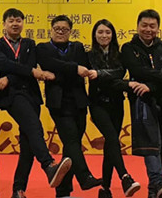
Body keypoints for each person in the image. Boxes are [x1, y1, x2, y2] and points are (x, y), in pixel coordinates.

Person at [0, 8, 72, 198]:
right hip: (12, 96)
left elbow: (28, 66)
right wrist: (30, 72)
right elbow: (3, 64)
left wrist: (10, 77)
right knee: (35, 127)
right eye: (11, 21)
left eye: (18, 20)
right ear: (4, 24)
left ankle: (18, 190)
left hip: (32, 96)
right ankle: (48, 165)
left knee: (28, 145)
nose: (15, 24)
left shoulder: (29, 43)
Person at [37, 15, 102, 198]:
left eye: (64, 29)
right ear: (51, 30)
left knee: (71, 146)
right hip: (58, 103)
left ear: (70, 31)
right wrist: (74, 69)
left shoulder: (78, 47)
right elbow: (49, 63)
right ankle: (85, 177)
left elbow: (70, 68)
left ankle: (63, 191)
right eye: (57, 29)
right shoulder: (42, 48)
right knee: (71, 140)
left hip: (79, 101)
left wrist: (61, 72)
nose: (60, 32)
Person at [119, 9, 162, 198]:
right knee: (151, 142)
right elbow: (139, 70)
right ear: (137, 26)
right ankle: (157, 181)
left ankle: (154, 190)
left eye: (152, 26)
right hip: (142, 101)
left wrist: (151, 86)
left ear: (158, 28)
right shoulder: (128, 48)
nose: (148, 29)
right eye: (144, 25)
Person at [87, 20, 141, 198]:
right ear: (94, 35)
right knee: (111, 138)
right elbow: (103, 80)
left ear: (113, 35)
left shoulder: (120, 55)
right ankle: (125, 177)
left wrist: (100, 74)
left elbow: (118, 73)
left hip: (117, 104)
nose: (104, 36)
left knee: (111, 145)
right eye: (100, 32)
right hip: (97, 104)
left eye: (108, 32)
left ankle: (105, 189)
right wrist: (125, 84)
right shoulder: (88, 56)